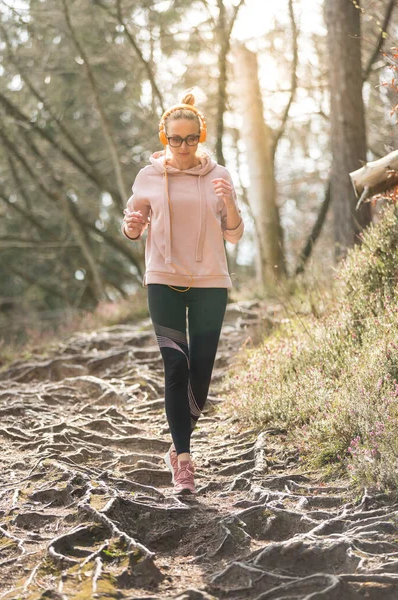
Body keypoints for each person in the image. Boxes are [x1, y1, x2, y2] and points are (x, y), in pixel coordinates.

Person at [121, 88, 244, 495]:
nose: (185, 146)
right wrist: (134, 225)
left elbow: (235, 235)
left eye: (192, 138)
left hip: (210, 282)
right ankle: (184, 459)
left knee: (202, 374)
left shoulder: (220, 175)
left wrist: (230, 206)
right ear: (164, 138)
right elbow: (132, 226)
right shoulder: (148, 176)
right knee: (175, 366)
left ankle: (178, 440)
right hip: (163, 280)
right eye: (176, 138)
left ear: (201, 135)